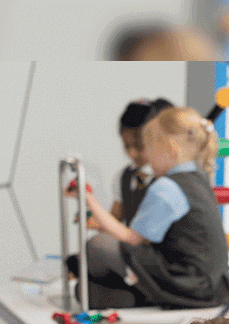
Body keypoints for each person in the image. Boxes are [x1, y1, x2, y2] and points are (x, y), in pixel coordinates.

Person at [67, 105, 229, 309]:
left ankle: (137, 293)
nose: (146, 158)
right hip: (214, 287)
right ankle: (136, 294)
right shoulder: (199, 178)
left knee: (97, 246)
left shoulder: (167, 187)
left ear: (171, 148)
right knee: (91, 282)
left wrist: (89, 201)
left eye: (150, 150)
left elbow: (133, 239)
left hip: (186, 282)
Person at [66, 98, 173, 307]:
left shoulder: (167, 180)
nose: (132, 153)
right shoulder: (123, 178)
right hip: (131, 254)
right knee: (82, 291)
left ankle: (143, 290)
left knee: (97, 248)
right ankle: (139, 295)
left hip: (153, 258)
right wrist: (96, 221)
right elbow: (115, 219)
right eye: (126, 146)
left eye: (139, 146)